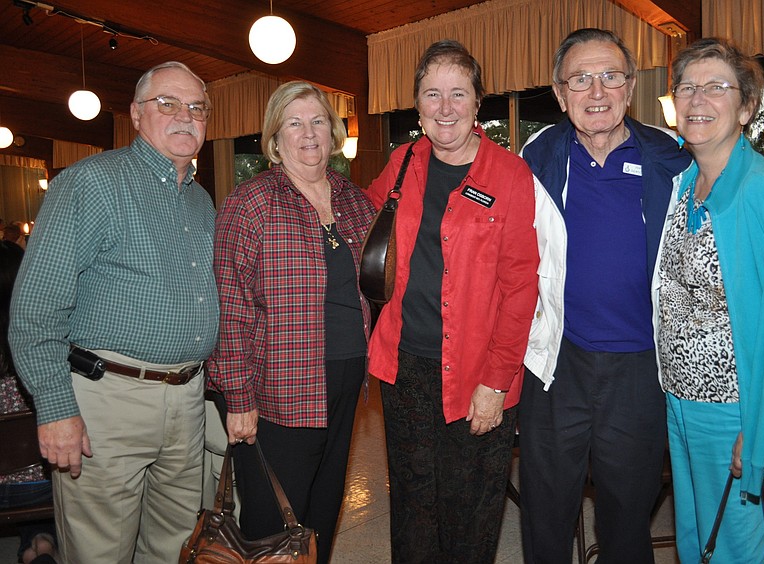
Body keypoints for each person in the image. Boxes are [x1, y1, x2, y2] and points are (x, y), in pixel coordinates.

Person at [9, 61, 218, 563]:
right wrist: (56, 408)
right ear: (136, 114)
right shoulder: (90, 184)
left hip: (187, 398)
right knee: (99, 552)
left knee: (174, 548)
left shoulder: (203, 202)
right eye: (166, 104)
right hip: (107, 403)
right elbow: (34, 311)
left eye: (196, 107)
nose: (184, 117)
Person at [519, 28, 693, 564]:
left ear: (630, 85)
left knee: (627, 512)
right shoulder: (536, 155)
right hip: (557, 366)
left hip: (641, 369)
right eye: (581, 79)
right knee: (546, 511)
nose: (597, 92)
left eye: (610, 76)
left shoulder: (674, 160)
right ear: (559, 90)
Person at [366, 40, 538, 563]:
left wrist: (496, 380)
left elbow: (520, 286)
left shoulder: (508, 175)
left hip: (476, 373)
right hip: (404, 370)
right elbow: (360, 224)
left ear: (477, 103)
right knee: (413, 509)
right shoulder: (401, 163)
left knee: (471, 513)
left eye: (457, 94)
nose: (445, 108)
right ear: (417, 106)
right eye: (432, 94)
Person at [655, 37, 764, 562]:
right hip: (678, 397)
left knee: (733, 548)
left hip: (730, 408)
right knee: (696, 539)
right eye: (687, 87)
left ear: (746, 106)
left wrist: (760, 424)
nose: (697, 99)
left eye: (716, 87)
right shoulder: (684, 186)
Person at [207, 81, 375, 564]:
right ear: (274, 139)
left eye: (318, 121)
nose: (308, 133)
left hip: (347, 381)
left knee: (324, 507)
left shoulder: (354, 201)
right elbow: (231, 305)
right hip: (280, 389)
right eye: (294, 123)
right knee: (271, 521)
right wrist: (237, 398)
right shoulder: (253, 201)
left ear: (335, 131)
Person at [0, 243, 58, 564]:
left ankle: (35, 544)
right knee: (45, 472)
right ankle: (42, 541)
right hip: (39, 484)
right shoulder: (35, 343)